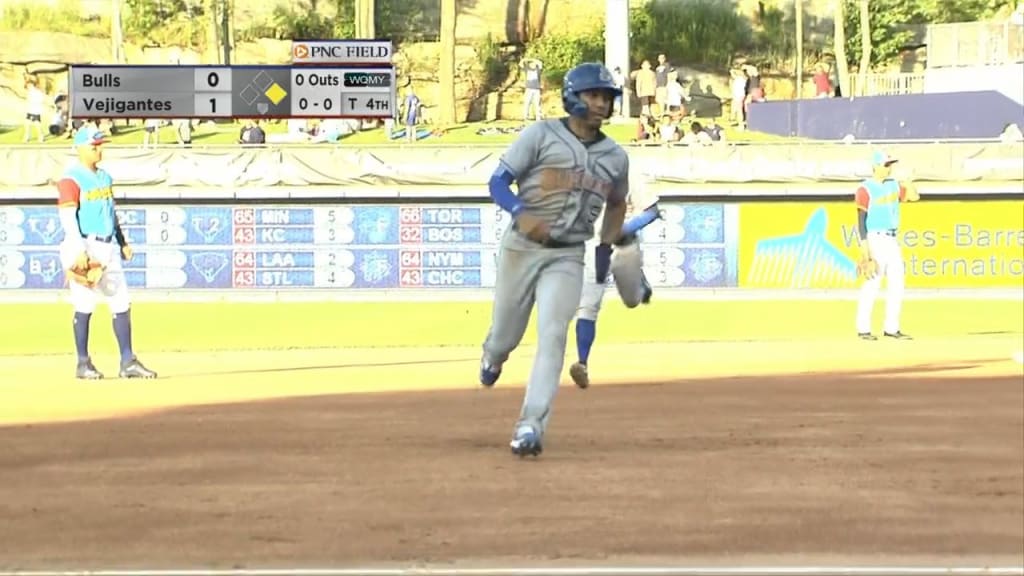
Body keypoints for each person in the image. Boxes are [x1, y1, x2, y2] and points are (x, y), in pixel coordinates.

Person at [478, 62, 629, 458]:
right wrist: (519, 211)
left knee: (553, 336)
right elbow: (497, 181)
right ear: (573, 97)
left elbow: (616, 204)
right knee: (504, 336)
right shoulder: (540, 134)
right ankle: (492, 356)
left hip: (567, 253)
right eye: (593, 95)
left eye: (606, 97)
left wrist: (606, 244)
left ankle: (530, 424)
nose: (600, 103)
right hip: (521, 246)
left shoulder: (615, 156)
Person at [56, 127, 158, 380]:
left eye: (100, 145)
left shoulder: (104, 177)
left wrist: (122, 241)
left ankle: (128, 361)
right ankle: (82, 362)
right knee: (84, 304)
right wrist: (78, 249)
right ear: (80, 148)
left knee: (121, 301)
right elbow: (68, 217)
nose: (99, 150)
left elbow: (111, 212)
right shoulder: (70, 179)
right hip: (84, 245)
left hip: (107, 245)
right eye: (94, 146)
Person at [569, 181, 661, 389]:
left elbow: (652, 211)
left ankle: (641, 285)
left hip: (624, 247)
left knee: (632, 301)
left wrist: (625, 228)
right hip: (593, 248)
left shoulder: (629, 173)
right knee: (587, 306)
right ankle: (582, 363)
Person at [854, 150, 920, 341]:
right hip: (875, 237)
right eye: (886, 165)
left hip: (891, 237)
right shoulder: (865, 189)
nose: (889, 168)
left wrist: (908, 181)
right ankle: (863, 328)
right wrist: (865, 252)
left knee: (897, 282)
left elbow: (914, 197)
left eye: (890, 164)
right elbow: (861, 221)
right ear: (875, 166)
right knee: (873, 282)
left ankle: (892, 327)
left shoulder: (893, 186)